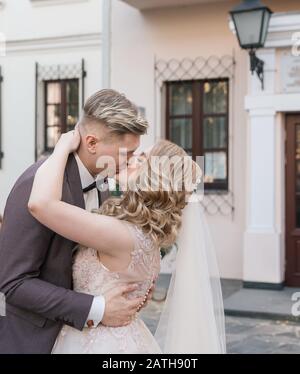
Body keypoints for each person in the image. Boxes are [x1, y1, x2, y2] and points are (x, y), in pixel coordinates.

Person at [28, 128, 226, 354]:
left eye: (140, 159)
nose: (129, 161)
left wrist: (61, 148)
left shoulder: (120, 234)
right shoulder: (145, 235)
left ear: (153, 177)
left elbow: (41, 205)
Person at [0, 89, 153, 354]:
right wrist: (98, 308)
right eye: (125, 153)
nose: (131, 162)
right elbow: (14, 283)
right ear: (92, 143)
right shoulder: (34, 186)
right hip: (39, 342)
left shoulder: (107, 183)